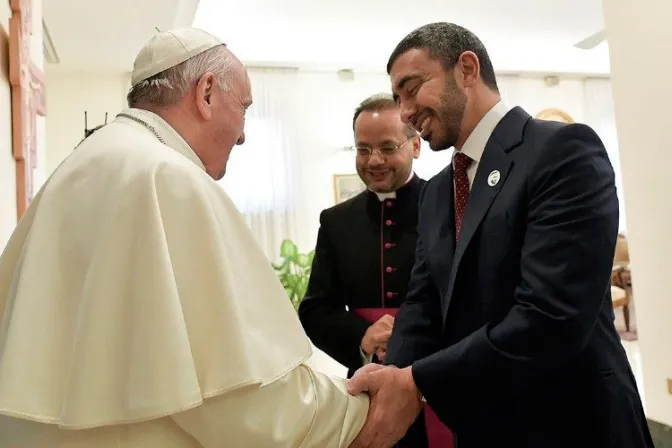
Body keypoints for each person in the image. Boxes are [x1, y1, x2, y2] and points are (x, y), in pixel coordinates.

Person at [0, 27, 369, 447]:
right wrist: (353, 407)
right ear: (206, 92)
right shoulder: (168, 177)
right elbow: (238, 400)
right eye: (244, 108)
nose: (244, 133)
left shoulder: (83, 162)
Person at [347, 22, 654, 448]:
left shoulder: (562, 151)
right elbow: (422, 304)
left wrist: (416, 381)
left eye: (412, 88)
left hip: (573, 423)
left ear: (467, 69)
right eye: (398, 99)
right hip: (483, 427)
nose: (405, 113)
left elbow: (551, 316)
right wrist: (391, 379)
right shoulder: (438, 192)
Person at [299, 94, 451, 447]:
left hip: (440, 378)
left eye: (387, 147)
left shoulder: (450, 208)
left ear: (415, 146)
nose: (374, 160)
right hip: (370, 387)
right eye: (363, 149)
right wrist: (362, 337)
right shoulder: (336, 221)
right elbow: (315, 310)